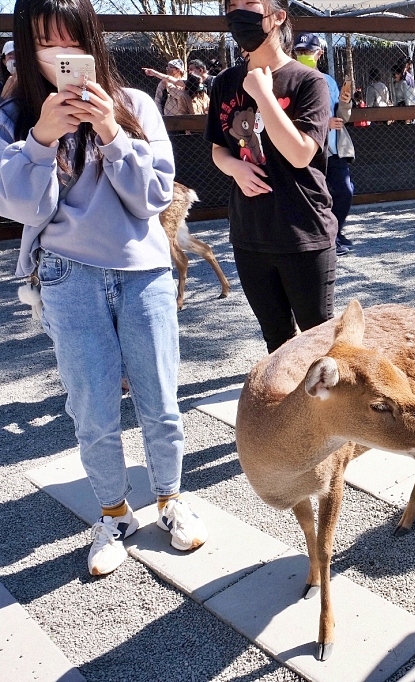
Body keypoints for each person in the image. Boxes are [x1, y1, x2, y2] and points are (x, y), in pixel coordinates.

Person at [0, 0, 208, 577]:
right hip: (69, 274)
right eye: (45, 40)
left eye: (72, 37)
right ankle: (114, 514)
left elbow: (152, 198)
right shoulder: (16, 117)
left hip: (143, 271)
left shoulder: (137, 104)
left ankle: (170, 498)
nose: (60, 52)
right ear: (27, 44)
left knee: (160, 400)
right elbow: (20, 207)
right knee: (92, 408)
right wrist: (42, 138)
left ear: (93, 38)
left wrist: (111, 132)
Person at [206, 0, 338, 353]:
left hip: (303, 233)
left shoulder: (310, 82)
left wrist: (263, 94)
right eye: (232, 5)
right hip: (249, 235)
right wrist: (234, 167)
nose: (238, 12)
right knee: (277, 344)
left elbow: (300, 154)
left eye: (249, 3)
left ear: (278, 16)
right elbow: (219, 148)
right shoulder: (224, 83)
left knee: (318, 347)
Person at [293, 33, 355, 257]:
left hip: (334, 147)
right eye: (300, 52)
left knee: (345, 191)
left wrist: (346, 104)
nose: (304, 55)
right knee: (318, 196)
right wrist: (323, 123)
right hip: (308, 149)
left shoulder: (328, 81)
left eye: (308, 51)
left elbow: (342, 116)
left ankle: (334, 234)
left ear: (319, 53)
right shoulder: (291, 79)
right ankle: (326, 240)